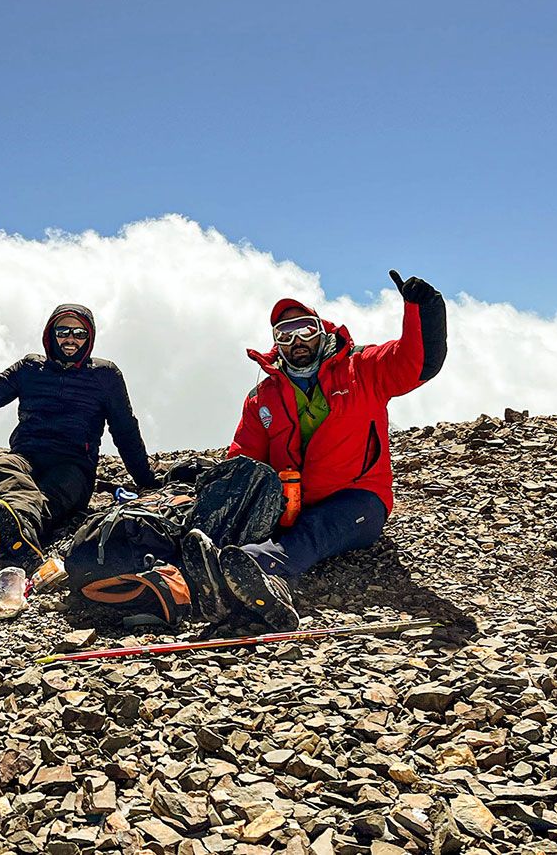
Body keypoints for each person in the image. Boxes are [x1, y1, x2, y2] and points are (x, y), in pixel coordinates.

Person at [183, 270, 447, 630]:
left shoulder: (362, 368)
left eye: (304, 329)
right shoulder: (262, 397)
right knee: (250, 520)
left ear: (321, 330)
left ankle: (259, 568)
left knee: (312, 533)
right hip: (290, 505)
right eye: (284, 334)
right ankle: (200, 580)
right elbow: (244, 460)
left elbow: (415, 364)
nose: (296, 340)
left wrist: (424, 310)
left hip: (359, 499)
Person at [0, 303, 159, 577]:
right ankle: (17, 536)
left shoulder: (106, 376)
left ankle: (7, 531)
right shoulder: (29, 368)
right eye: (63, 331)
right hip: (27, 456)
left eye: (79, 333)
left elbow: (125, 431)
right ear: (51, 334)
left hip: (74, 465)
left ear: (89, 338)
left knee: (51, 493)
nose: (71, 339)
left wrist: (146, 481)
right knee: (5, 465)